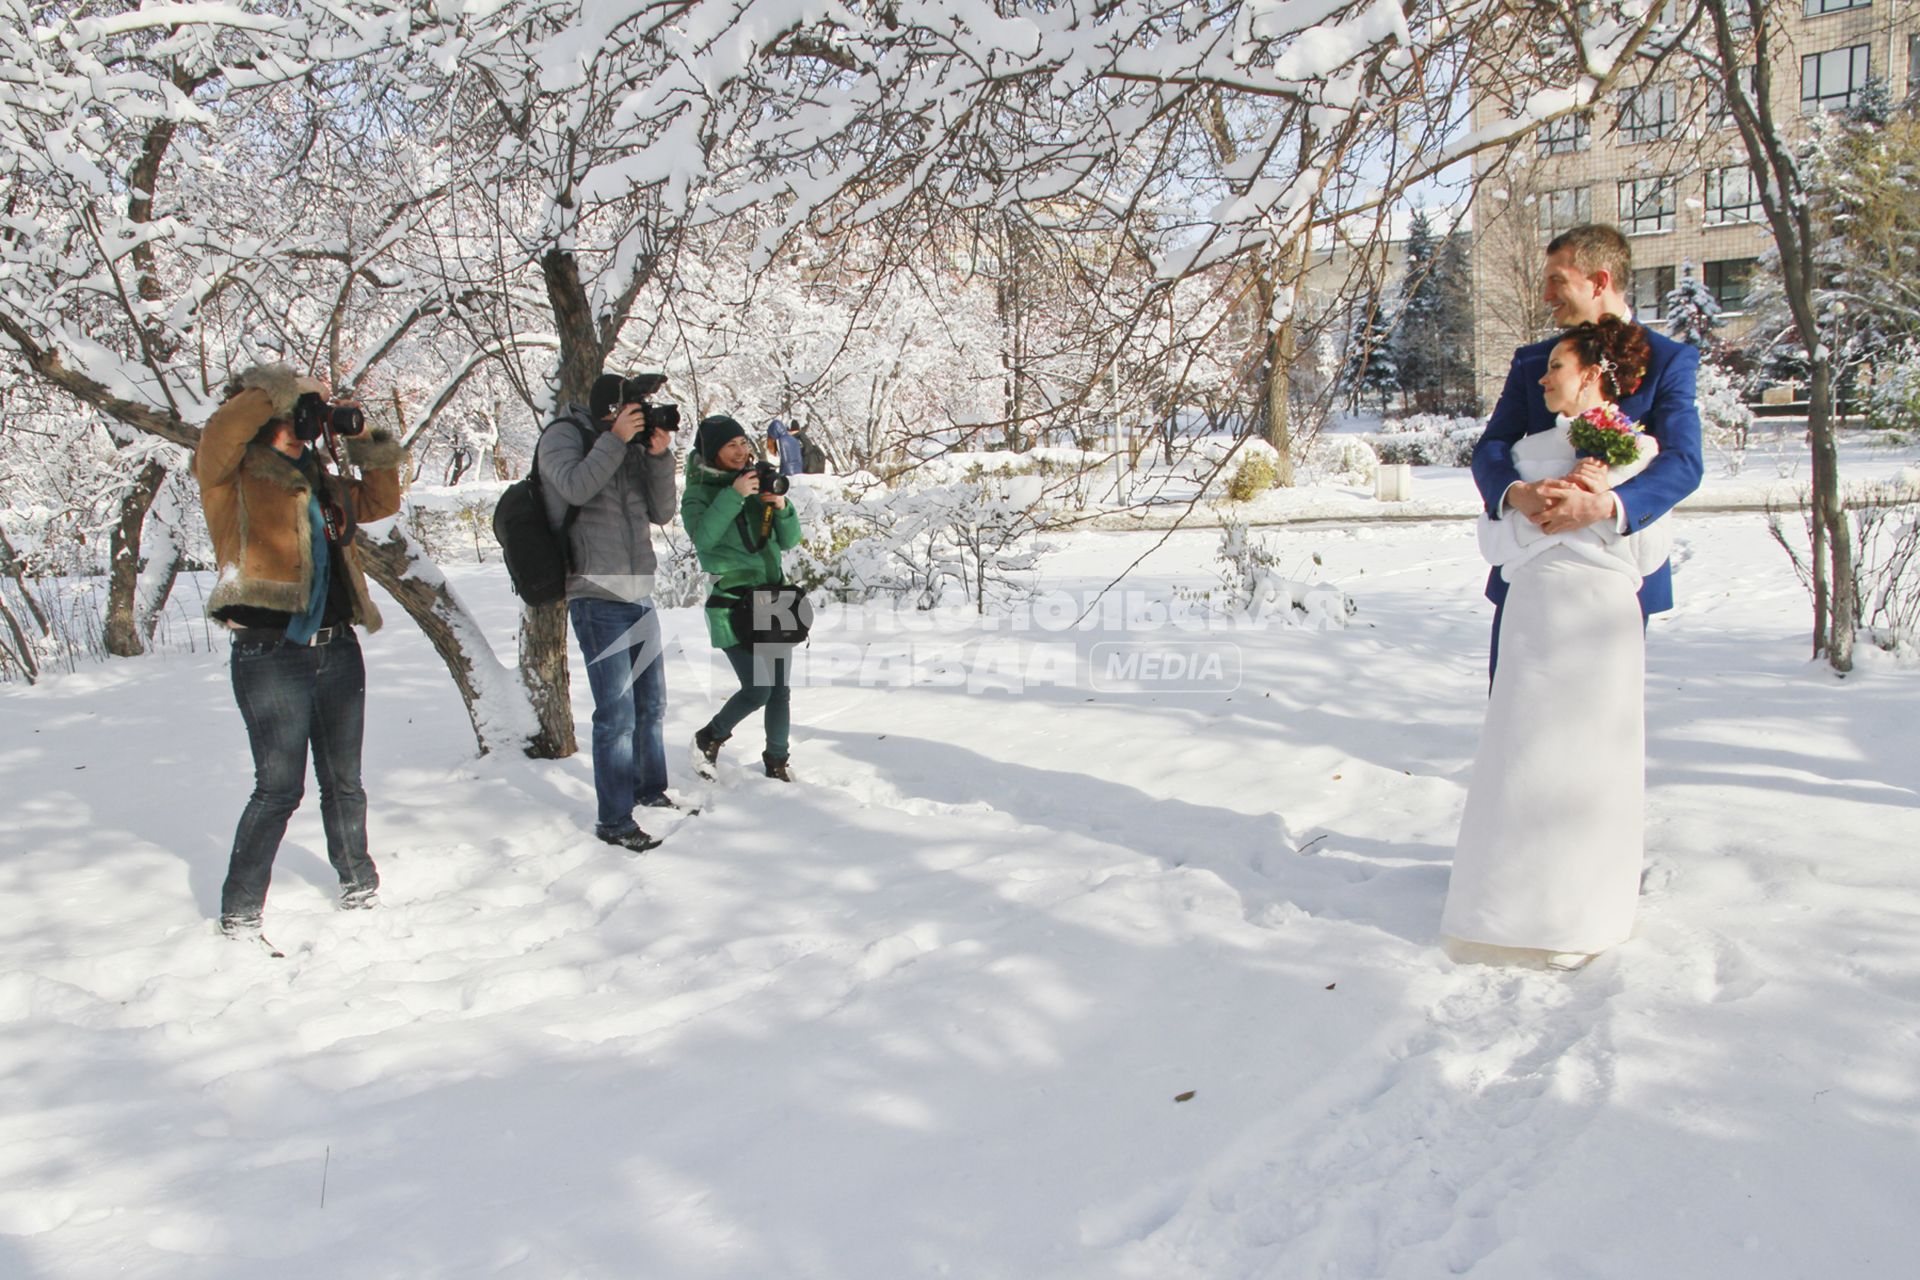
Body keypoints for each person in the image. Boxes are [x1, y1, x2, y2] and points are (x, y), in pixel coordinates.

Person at [1444, 318, 1666, 970]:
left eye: (1556, 368)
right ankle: (1506, 913)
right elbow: (1493, 544)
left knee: (1596, 761)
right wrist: (1535, 508)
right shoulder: (1521, 460)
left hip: (1604, 625)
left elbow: (1650, 553)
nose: (1541, 379)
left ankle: (1587, 912)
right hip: (1535, 616)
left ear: (1595, 373)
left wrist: (1604, 505)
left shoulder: (1639, 456)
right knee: (1523, 753)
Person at [194, 362, 406, 950]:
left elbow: (382, 499)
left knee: (345, 781)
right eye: (291, 416)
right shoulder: (231, 475)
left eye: (304, 417)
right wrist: (285, 391)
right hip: (270, 654)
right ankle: (239, 914)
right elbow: (220, 434)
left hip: (338, 646)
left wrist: (358, 433)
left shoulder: (323, 478)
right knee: (279, 787)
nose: (301, 425)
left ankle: (359, 886)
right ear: (266, 415)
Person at [1472, 224, 1703, 676]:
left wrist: (1605, 505)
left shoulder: (1668, 360)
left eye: (1558, 280)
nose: (1546, 295)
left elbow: (1684, 461)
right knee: (1518, 714)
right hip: (1531, 574)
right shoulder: (1533, 361)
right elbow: (1492, 447)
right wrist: (1516, 492)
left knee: (1594, 725)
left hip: (1618, 574)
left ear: (1599, 281)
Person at [538, 372, 680, 852]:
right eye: (632, 408)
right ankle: (615, 820)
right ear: (610, 410)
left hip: (639, 594)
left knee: (651, 706)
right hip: (596, 594)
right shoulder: (564, 437)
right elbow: (574, 488)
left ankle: (650, 789)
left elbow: (663, 511)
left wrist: (658, 456)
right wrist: (614, 440)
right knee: (616, 715)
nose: (640, 415)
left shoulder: (632, 447)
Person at [683, 415, 804, 781]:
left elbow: (788, 540)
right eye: (730, 445)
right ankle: (709, 737)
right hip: (733, 604)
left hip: (773, 598)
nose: (741, 451)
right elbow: (704, 539)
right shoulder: (698, 493)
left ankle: (777, 761)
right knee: (758, 689)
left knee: (779, 690)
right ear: (711, 451)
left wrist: (781, 507)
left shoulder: (757, 482)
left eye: (743, 443)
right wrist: (734, 495)